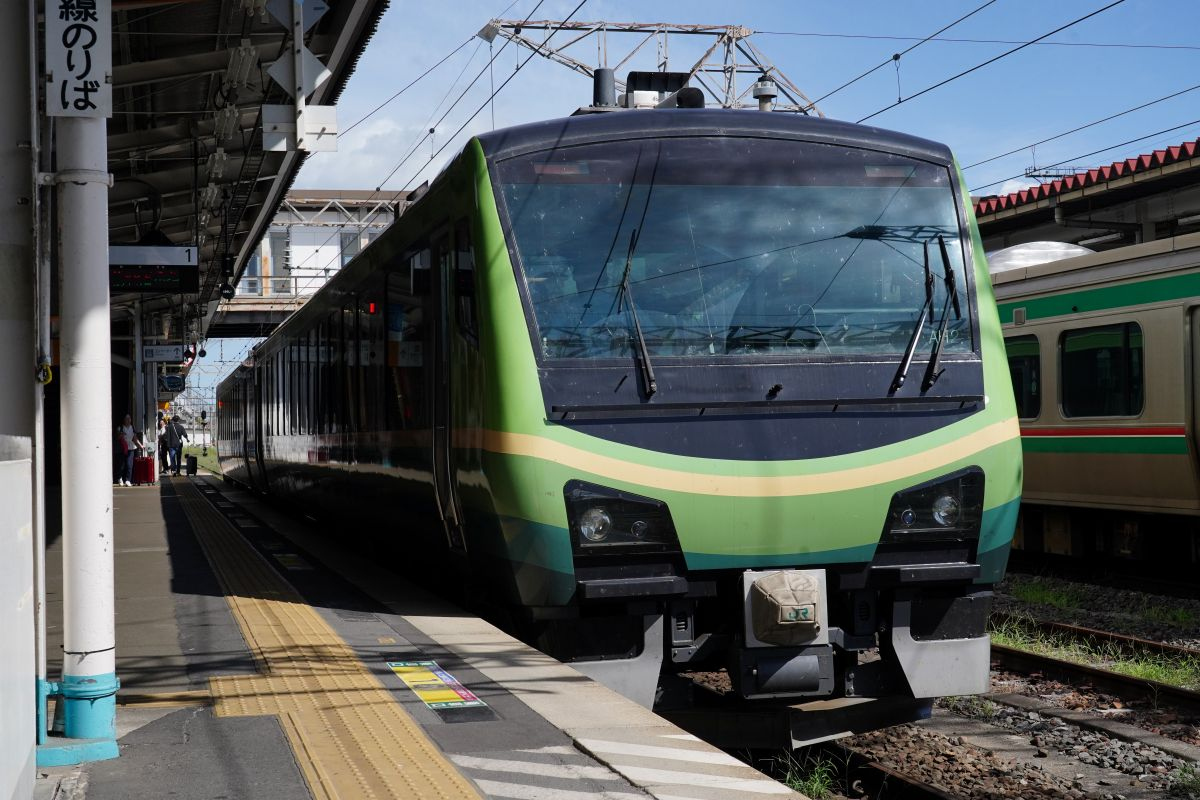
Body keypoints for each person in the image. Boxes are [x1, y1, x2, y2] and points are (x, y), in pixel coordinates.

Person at [115, 414, 140, 487]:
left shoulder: (133, 428)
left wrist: (140, 445)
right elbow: (117, 438)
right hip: (122, 449)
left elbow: (135, 438)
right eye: (127, 418)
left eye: (129, 418)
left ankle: (128, 480)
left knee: (129, 465)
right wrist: (121, 435)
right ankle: (120, 478)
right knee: (122, 465)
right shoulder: (120, 428)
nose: (128, 420)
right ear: (124, 420)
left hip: (131, 448)